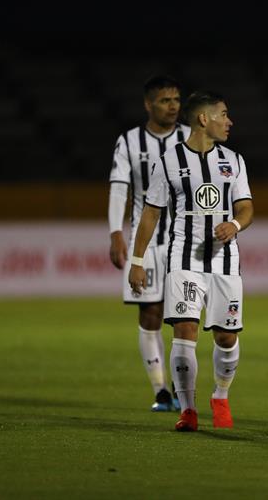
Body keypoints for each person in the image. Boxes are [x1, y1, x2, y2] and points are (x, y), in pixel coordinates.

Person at [129, 91, 253, 432]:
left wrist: (235, 224)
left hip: (225, 264)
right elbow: (150, 214)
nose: (229, 121)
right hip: (183, 261)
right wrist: (137, 261)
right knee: (184, 332)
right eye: (224, 115)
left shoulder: (234, 160)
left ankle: (221, 395)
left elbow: (246, 207)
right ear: (203, 119)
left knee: (226, 338)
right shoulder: (169, 162)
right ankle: (188, 409)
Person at [108, 75, 189, 411]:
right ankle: (161, 391)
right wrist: (116, 232)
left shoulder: (189, 138)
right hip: (149, 240)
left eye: (176, 100)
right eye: (164, 100)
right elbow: (118, 188)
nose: (172, 106)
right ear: (148, 104)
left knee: (185, 317)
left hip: (185, 240)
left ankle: (185, 390)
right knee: (151, 314)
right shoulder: (129, 142)